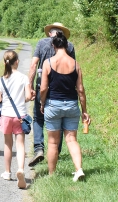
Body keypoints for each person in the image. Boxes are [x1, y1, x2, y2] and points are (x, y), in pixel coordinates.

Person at [40, 31, 90, 182]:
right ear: (67, 45)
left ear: (53, 45)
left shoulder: (48, 63)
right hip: (71, 105)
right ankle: (78, 169)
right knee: (71, 139)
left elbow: (43, 89)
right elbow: (80, 90)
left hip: (53, 105)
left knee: (53, 142)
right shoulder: (75, 64)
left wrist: (43, 103)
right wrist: (84, 111)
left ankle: (51, 175)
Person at [27, 22, 75, 167]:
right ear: (63, 34)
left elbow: (33, 65)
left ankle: (39, 149)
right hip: (61, 89)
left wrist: (30, 85)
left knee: (38, 118)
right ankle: (56, 152)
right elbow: (73, 67)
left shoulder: (41, 43)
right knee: (58, 121)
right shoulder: (70, 46)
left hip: (42, 84)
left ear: (50, 33)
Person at [0, 50, 31, 189]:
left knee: (7, 144)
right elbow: (27, 96)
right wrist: (23, 97)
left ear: (5, 63)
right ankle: (20, 169)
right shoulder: (23, 77)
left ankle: (7, 172)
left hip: (6, 115)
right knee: (20, 144)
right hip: (20, 115)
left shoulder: (1, 79)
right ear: (17, 62)